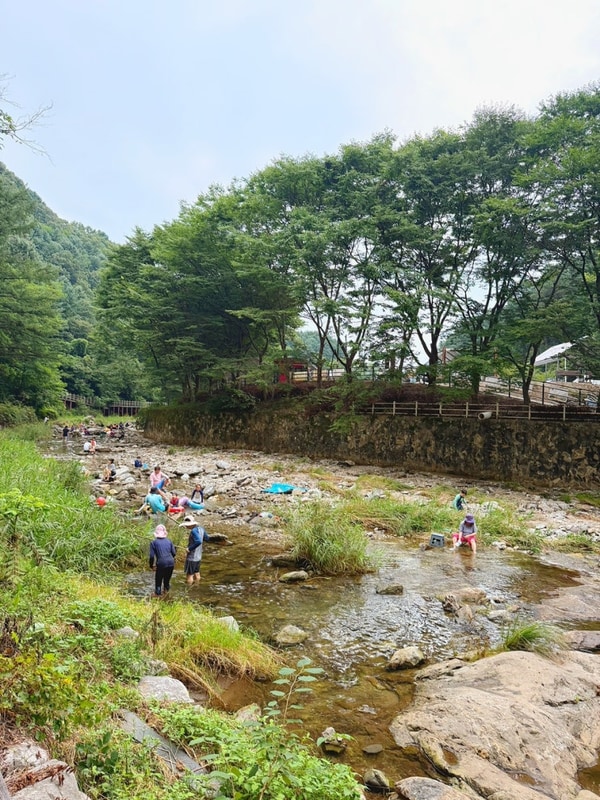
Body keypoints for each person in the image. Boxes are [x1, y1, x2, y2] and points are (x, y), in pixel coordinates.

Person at [180, 515, 217, 586]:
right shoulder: (201, 528)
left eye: (186, 525)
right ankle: (197, 586)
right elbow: (207, 538)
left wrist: (189, 548)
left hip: (192, 557)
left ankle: (188, 589)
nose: (186, 526)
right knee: (197, 573)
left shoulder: (193, 531)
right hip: (198, 557)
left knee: (189, 575)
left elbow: (199, 541)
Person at [148, 523, 176, 597]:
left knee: (158, 581)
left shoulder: (153, 543)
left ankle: (158, 596)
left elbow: (151, 556)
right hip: (171, 562)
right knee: (167, 581)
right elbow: (174, 553)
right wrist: (169, 559)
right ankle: (167, 595)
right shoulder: (169, 541)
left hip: (161, 563)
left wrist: (151, 566)